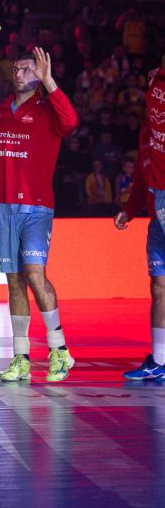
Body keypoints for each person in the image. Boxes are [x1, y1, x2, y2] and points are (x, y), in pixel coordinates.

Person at [0, 48, 78, 383]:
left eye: (27, 69)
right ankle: (21, 357)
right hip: (3, 207)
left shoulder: (48, 109)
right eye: (16, 68)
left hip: (37, 207)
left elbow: (71, 122)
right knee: (14, 281)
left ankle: (59, 349)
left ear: (38, 74)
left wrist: (50, 82)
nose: (19, 73)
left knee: (35, 275)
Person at [116, 54, 165, 379]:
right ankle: (159, 361)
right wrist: (129, 209)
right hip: (155, 210)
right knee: (159, 285)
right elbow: (141, 176)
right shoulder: (148, 132)